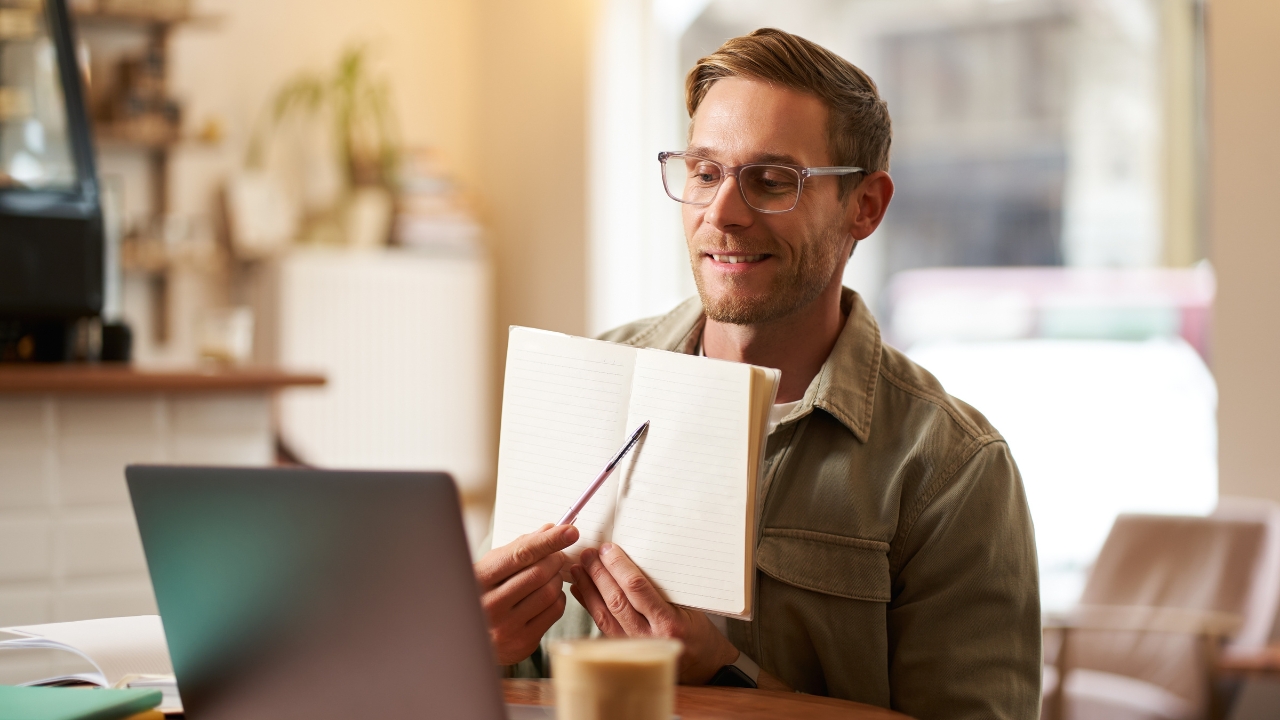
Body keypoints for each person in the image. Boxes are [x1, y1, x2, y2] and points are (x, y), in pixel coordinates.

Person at [473, 28, 1040, 719]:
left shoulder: (951, 470)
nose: (722, 213)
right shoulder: (583, 387)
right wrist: (476, 644)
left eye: (773, 181)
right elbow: (498, 677)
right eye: (705, 172)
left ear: (864, 206)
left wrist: (724, 676)